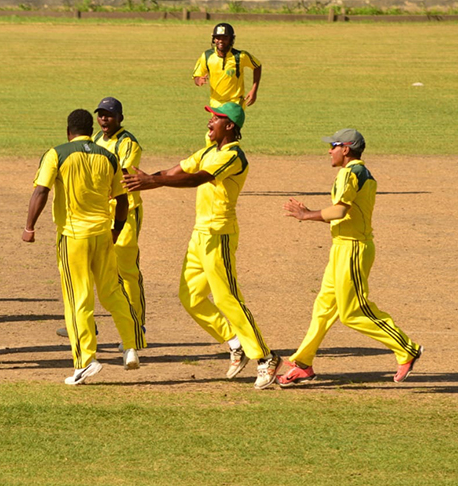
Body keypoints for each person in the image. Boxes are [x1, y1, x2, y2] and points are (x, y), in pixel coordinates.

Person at [123, 102, 282, 390]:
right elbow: (176, 171)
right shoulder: (210, 151)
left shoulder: (233, 156)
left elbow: (198, 178)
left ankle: (266, 357)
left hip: (219, 234)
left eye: (216, 118)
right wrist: (142, 182)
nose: (209, 122)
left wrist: (152, 181)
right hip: (200, 234)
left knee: (227, 298)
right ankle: (235, 343)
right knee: (190, 296)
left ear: (230, 126)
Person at [278, 129, 423, 386]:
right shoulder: (356, 172)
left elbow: (339, 210)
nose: (329, 150)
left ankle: (407, 349)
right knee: (323, 309)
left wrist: (306, 215)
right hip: (342, 248)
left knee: (353, 312)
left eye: (333, 146)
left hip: (353, 249)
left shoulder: (351, 173)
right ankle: (303, 363)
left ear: (346, 149)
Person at [23, 109, 145, 386]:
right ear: (91, 129)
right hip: (103, 234)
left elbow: (41, 191)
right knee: (112, 291)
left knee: (78, 299)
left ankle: (85, 361)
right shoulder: (108, 156)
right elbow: (123, 199)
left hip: (73, 237)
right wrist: (116, 229)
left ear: (68, 130)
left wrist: (29, 227)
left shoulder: (57, 153)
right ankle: (130, 346)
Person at [55, 97, 147, 347]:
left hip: (126, 212)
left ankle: (137, 325)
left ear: (120, 118)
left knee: (126, 271)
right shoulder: (94, 140)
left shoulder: (128, 143)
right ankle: (87, 324)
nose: (105, 119)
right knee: (95, 269)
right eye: (101, 114)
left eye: (110, 115)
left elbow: (123, 174)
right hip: (101, 213)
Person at [193, 23, 262, 109]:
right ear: (214, 39)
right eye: (218, 38)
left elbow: (257, 66)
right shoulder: (206, 56)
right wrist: (198, 80)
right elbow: (196, 76)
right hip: (215, 103)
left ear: (231, 39)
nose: (221, 41)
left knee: (225, 123)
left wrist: (254, 91)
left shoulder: (240, 56)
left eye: (225, 38)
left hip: (235, 103)